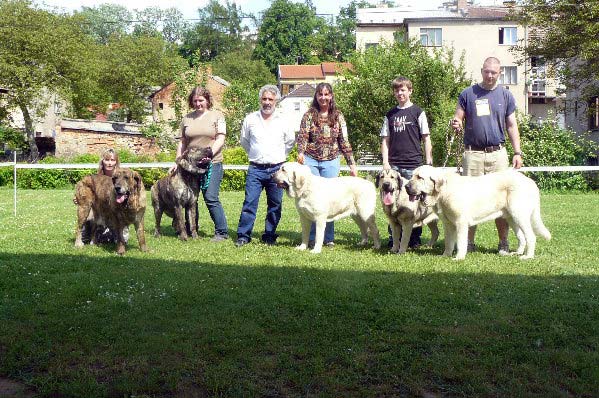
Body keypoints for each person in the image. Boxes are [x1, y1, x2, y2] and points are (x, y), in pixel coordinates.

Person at [450, 56, 524, 254]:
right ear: (481, 71)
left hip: (497, 154)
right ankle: (469, 244)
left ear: (499, 73)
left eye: (494, 72)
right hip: (472, 154)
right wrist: (456, 122)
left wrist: (517, 152)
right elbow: (458, 116)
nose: (490, 75)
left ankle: (503, 242)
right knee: (467, 200)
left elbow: (511, 125)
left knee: (501, 201)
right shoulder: (468, 93)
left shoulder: (506, 96)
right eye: (487, 71)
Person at [296, 82, 357, 247]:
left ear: (331, 96)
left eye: (326, 94)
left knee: (328, 200)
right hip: (310, 160)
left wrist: (351, 164)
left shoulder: (338, 115)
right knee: (311, 199)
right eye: (320, 94)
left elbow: (344, 141)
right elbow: (302, 136)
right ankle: (312, 237)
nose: (323, 98)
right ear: (316, 96)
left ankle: (328, 238)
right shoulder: (308, 115)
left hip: (331, 161)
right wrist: (300, 152)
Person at [235, 85, 295, 247]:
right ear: (260, 100)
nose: (267, 102)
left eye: (271, 99)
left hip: (277, 169)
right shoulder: (250, 119)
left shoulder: (283, 120)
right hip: (255, 168)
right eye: (264, 99)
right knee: (249, 202)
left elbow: (290, 142)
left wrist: (279, 157)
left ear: (276, 100)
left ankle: (269, 235)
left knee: (275, 204)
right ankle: (243, 235)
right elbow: (245, 141)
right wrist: (256, 154)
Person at [380, 76, 433, 249]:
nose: (399, 93)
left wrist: (428, 163)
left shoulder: (418, 112)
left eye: (403, 90)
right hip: (394, 167)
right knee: (392, 203)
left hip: (414, 165)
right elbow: (385, 140)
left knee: (413, 204)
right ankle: (393, 238)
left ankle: (414, 239)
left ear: (410, 91)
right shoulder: (390, 114)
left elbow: (426, 138)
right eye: (396, 90)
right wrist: (386, 163)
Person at [175, 86, 229, 242]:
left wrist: (210, 153)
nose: (198, 103)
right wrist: (178, 161)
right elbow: (182, 142)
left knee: (210, 197)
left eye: (201, 100)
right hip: (190, 167)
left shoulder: (217, 116)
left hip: (212, 163)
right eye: (195, 101)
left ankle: (221, 232)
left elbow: (220, 138)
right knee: (189, 198)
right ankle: (191, 229)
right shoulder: (186, 119)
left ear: (207, 100)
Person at [74, 148, 127, 244]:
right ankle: (80, 235)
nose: (109, 163)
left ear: (116, 162)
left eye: (112, 160)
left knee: (118, 240)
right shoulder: (96, 177)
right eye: (107, 160)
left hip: (116, 212)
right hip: (99, 209)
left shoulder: (122, 176)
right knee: (86, 236)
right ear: (102, 161)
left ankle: (111, 231)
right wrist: (79, 198)